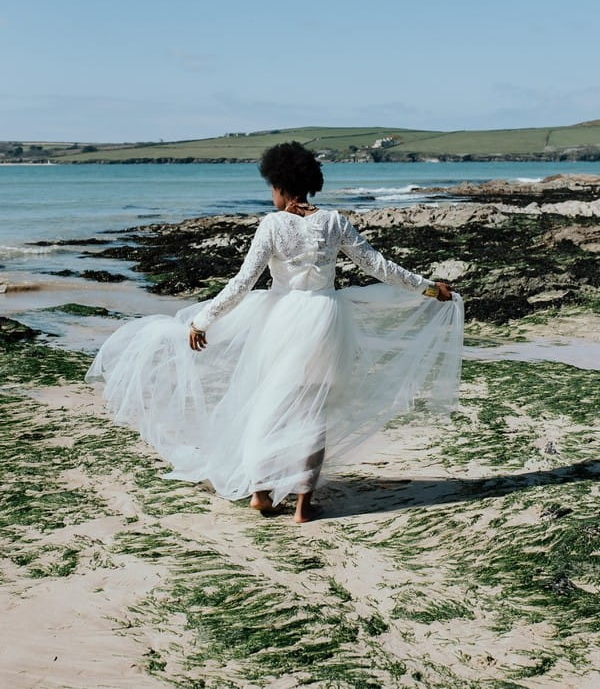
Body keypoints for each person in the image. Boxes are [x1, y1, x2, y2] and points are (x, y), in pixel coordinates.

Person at [87, 142, 463, 523]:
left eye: (272, 187)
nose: (271, 194)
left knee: (269, 403)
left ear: (281, 185)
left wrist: (203, 319)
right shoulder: (334, 221)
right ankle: (303, 506)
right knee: (313, 411)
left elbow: (242, 282)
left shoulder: (273, 224)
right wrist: (430, 288)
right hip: (324, 317)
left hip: (282, 319)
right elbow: (379, 267)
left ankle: (261, 492)